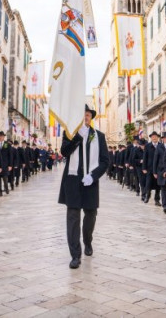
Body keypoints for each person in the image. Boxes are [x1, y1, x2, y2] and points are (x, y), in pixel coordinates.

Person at [58, 105, 109, 269]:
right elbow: (64, 152)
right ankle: (75, 255)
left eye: (87, 115)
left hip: (90, 182)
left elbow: (105, 161)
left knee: (90, 215)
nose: (85, 117)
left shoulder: (99, 136)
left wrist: (93, 176)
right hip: (72, 181)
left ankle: (87, 240)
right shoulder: (69, 133)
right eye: (82, 115)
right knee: (72, 218)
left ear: (90, 117)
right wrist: (78, 137)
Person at [154, 131, 166, 212]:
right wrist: (155, 172)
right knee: (163, 189)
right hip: (161, 171)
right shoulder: (159, 147)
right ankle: (165, 205)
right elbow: (155, 160)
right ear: (163, 139)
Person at [142, 132, 160, 205]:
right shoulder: (147, 146)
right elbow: (145, 157)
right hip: (149, 168)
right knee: (148, 183)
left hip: (159, 168)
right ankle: (147, 196)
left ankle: (157, 200)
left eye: (155, 136)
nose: (154, 138)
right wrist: (144, 168)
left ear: (158, 137)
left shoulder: (161, 145)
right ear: (151, 138)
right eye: (153, 137)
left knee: (158, 185)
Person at [0, 131, 12, 196]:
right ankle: (0, 192)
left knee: (5, 179)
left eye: (2, 136)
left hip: (5, 165)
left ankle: (6, 189)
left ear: (4, 137)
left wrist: (10, 165)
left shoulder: (7, 144)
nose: (0, 137)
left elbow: (10, 155)